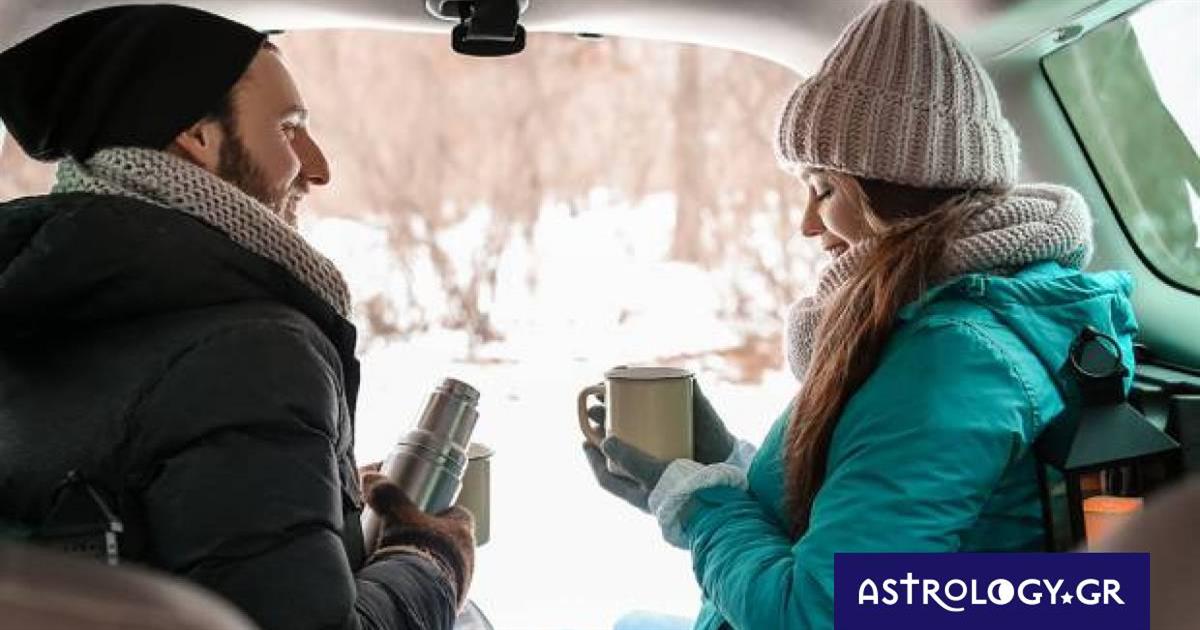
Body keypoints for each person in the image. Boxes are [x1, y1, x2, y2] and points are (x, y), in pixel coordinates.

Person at [583, 1, 1136, 628]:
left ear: (899, 188)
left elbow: (822, 614)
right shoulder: (947, 323)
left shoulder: (952, 358)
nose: (808, 223)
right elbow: (879, 549)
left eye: (825, 189)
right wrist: (732, 467)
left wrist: (702, 507)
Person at [0, 6, 474, 630]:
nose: (318, 165)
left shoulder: (38, 303)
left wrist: (314, 499)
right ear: (197, 135)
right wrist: (428, 563)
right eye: (289, 127)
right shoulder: (254, 354)